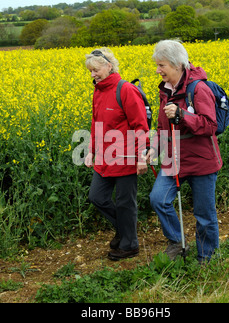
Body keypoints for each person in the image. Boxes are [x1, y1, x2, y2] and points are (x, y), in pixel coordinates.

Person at [146, 40, 222, 264]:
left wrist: (181, 115)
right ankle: (177, 241)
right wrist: (154, 148)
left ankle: (207, 259)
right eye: (157, 65)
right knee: (158, 199)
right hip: (174, 159)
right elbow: (162, 127)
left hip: (201, 160)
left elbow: (210, 125)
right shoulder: (165, 91)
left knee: (204, 215)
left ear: (177, 64)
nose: (158, 70)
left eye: (162, 65)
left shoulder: (198, 89)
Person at [84, 48, 149, 261]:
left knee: (124, 203)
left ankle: (130, 245)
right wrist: (91, 151)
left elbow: (141, 125)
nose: (92, 74)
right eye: (90, 71)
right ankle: (124, 230)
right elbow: (96, 124)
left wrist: (141, 156)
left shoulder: (127, 90)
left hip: (126, 156)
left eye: (95, 70)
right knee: (97, 197)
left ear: (109, 66)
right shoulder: (99, 91)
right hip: (104, 156)